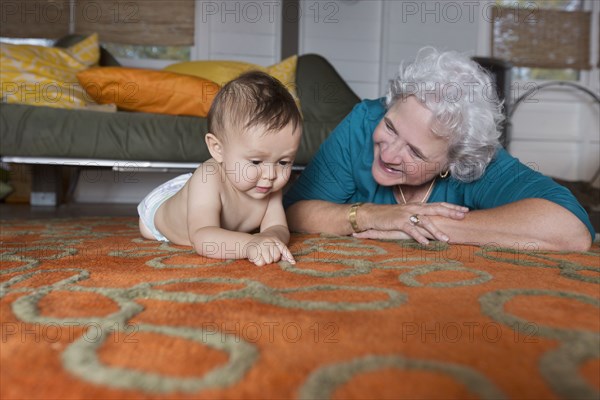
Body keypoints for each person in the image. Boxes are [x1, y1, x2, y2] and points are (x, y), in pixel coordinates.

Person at [284, 47, 594, 251]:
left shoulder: (475, 159)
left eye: (416, 153)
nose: (389, 154)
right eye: (390, 127)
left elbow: (572, 230)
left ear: (455, 162)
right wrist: (372, 215)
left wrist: (425, 223)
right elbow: (294, 213)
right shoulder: (363, 122)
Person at [138, 71, 303, 266]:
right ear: (218, 149)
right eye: (256, 162)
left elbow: (278, 226)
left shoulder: (269, 185)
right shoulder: (208, 179)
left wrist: (270, 237)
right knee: (148, 231)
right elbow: (203, 238)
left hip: (196, 193)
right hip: (164, 206)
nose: (271, 175)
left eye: (284, 162)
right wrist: (250, 243)